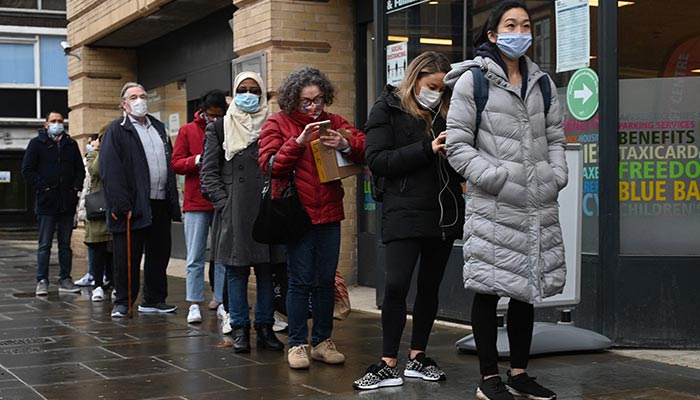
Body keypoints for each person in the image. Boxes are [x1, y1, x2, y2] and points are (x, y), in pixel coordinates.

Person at [444, 2, 568, 399]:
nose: (520, 31)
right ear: (493, 34)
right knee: (489, 288)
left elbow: (556, 140)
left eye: (526, 25)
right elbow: (458, 147)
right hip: (495, 203)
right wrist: (498, 178)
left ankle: (519, 373)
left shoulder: (542, 83)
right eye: (510, 25)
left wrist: (556, 176)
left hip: (536, 203)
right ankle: (488, 379)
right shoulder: (473, 82)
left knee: (525, 288)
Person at [353, 52, 465, 390]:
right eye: (432, 86)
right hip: (403, 211)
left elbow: (462, 164)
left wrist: (455, 153)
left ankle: (418, 356)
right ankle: (388, 362)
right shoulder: (387, 108)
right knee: (397, 286)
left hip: (443, 211)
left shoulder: (450, 111)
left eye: (443, 88)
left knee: (430, 288)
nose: (437, 93)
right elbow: (377, 160)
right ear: (415, 79)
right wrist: (427, 148)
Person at [258, 67, 366, 369]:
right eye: (306, 101)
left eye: (318, 100)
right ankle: (297, 344)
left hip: (329, 212)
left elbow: (364, 146)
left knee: (323, 281)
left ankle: (321, 341)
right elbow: (269, 164)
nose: (313, 107)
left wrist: (345, 144)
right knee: (299, 281)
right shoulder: (277, 123)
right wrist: (297, 142)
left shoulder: (334, 123)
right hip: (297, 215)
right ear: (293, 100)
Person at [201, 71, 285, 353]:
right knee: (235, 272)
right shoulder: (220, 128)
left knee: (265, 270)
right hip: (233, 210)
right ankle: (239, 328)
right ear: (234, 94)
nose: (248, 95)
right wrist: (224, 204)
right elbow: (208, 173)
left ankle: (264, 327)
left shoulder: (273, 126)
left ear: (262, 95)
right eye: (242, 89)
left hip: (265, 208)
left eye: (254, 90)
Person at [100, 82, 182, 318]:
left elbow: (169, 162)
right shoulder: (117, 130)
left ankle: (154, 299)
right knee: (128, 257)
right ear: (124, 104)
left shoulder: (158, 127)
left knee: (159, 253)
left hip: (159, 202)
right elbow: (110, 170)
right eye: (133, 97)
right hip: (132, 206)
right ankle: (124, 302)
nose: (139, 100)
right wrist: (121, 204)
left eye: (143, 96)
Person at [171, 90, 227, 324]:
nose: (214, 120)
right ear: (203, 111)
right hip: (195, 200)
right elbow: (175, 163)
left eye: (218, 115)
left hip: (221, 198)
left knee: (223, 254)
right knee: (194, 255)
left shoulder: (227, 126)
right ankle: (194, 302)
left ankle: (222, 299)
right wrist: (197, 159)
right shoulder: (187, 130)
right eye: (210, 115)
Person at [21, 111, 84, 295]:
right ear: (46, 124)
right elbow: (27, 170)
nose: (57, 124)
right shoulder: (36, 143)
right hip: (46, 202)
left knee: (65, 244)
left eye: (60, 121)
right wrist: (44, 188)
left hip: (66, 202)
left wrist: (75, 189)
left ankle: (65, 279)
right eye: (54, 121)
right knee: (44, 244)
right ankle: (42, 280)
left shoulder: (71, 144)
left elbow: (79, 170)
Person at [83, 130, 114, 302]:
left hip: (114, 207)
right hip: (98, 209)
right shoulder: (93, 155)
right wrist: (103, 150)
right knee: (98, 249)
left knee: (114, 251)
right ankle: (97, 285)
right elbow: (96, 171)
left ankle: (113, 282)